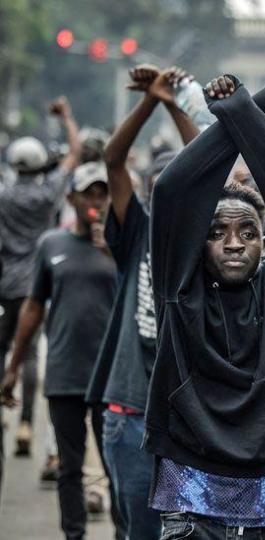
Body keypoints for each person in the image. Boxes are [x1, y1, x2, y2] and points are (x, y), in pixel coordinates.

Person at [144, 75, 265, 537]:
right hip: (190, 495)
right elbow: (172, 190)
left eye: (247, 233)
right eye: (217, 233)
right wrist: (246, 107)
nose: (233, 244)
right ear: (197, 245)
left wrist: (248, 110)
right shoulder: (179, 292)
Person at [84, 64, 198, 540]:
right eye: (160, 184)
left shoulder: (204, 238)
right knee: (138, 533)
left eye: (182, 182)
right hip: (131, 415)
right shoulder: (136, 231)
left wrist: (175, 104)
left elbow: (207, 158)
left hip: (188, 423)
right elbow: (114, 160)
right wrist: (150, 100)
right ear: (151, 191)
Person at [1, 161, 124, 540]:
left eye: (104, 193)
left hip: (111, 377)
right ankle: (75, 534)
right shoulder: (52, 244)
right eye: (90, 193)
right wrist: (13, 367)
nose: (98, 201)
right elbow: (34, 307)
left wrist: (114, 252)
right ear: (72, 197)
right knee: (69, 467)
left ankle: (125, 533)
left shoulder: (124, 244)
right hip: (65, 373)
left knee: (118, 464)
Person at [0, 97, 81, 461]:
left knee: (5, 350)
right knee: (31, 354)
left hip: (5, 282)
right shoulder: (49, 194)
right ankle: (26, 423)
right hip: (37, 283)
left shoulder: (4, 197)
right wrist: (66, 117)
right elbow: (74, 156)